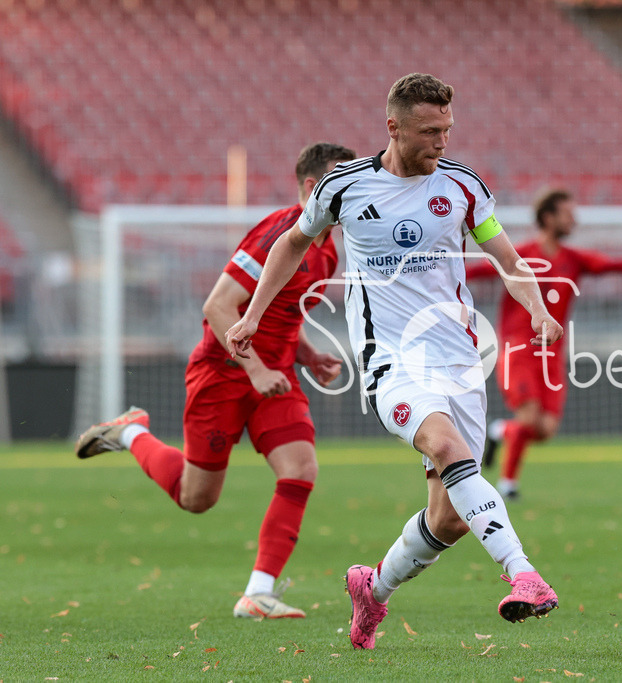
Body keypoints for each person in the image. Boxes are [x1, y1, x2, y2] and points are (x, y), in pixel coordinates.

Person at [225, 73, 563, 650]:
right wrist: (253, 315)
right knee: (449, 449)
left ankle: (373, 590)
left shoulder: (463, 187)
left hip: (460, 362)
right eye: (430, 131)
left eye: (448, 129)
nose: (442, 141)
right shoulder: (345, 186)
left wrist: (536, 307)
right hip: (393, 362)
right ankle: (523, 574)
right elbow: (291, 244)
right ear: (394, 127)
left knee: (451, 516)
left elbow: (504, 254)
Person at [74, 142, 356, 619]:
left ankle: (258, 593)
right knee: (196, 498)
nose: (356, 191)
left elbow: (281, 312)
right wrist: (256, 368)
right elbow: (219, 307)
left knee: (301, 469)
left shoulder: (328, 248)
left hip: (275, 377)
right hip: (225, 372)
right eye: (345, 181)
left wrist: (306, 355)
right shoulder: (279, 233)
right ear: (314, 187)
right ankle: (131, 432)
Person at [466, 188, 622, 500]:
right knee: (530, 418)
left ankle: (500, 431)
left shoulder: (574, 260)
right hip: (518, 351)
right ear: (549, 217)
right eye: (568, 214)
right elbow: (474, 271)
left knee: (545, 430)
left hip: (552, 356)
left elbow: (616, 265)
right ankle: (507, 485)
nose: (575, 220)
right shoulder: (520, 257)